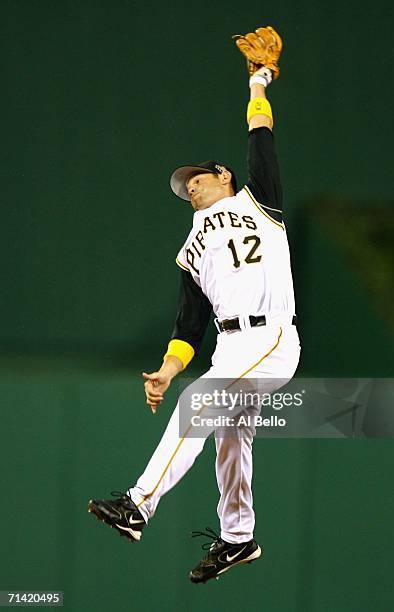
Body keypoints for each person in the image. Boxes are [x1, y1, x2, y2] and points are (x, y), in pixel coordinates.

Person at [88, 60, 301, 584]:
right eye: (185, 188)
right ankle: (237, 537)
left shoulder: (259, 201)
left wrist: (259, 79)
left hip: (270, 336)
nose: (191, 189)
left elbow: (261, 134)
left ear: (222, 176)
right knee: (230, 437)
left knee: (199, 405)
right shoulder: (191, 249)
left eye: (197, 180)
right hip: (229, 347)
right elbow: (189, 327)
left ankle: (139, 503)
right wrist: (167, 368)